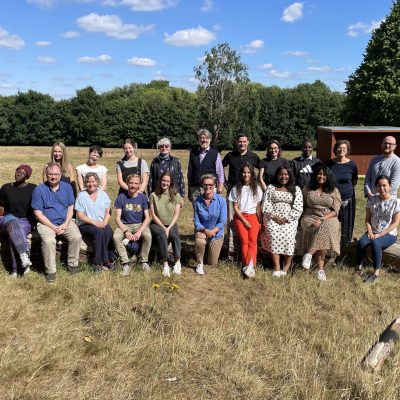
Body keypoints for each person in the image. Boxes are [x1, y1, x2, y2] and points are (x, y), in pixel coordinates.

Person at [32, 162, 82, 283]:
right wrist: (53, 227)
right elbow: (37, 213)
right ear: (46, 175)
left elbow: (71, 208)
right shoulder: (39, 189)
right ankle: (51, 271)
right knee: (49, 241)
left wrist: (65, 224)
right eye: (50, 174)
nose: (53, 177)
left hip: (65, 221)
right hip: (46, 223)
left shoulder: (67, 187)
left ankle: (72, 264)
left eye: (56, 174)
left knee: (76, 236)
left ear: (60, 175)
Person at [297, 164, 341, 281]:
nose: (321, 176)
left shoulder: (333, 190)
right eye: (319, 174)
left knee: (326, 227)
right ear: (315, 175)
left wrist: (322, 219)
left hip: (327, 217)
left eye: (324, 174)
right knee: (322, 230)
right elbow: (302, 204)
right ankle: (320, 270)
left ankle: (309, 254)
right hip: (309, 216)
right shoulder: (308, 188)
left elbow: (336, 210)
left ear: (328, 176)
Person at [356, 175, 400, 284]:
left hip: (389, 234)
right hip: (373, 231)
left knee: (375, 243)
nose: (382, 188)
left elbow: (395, 223)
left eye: (384, 185)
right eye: (379, 186)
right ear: (376, 187)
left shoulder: (396, 202)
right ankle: (358, 268)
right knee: (361, 242)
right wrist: (370, 232)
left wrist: (380, 235)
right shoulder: (372, 200)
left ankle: (375, 273)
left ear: (389, 186)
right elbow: (367, 219)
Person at [223, 134, 260, 260]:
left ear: (248, 142)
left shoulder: (254, 156)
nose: (242, 144)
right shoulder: (230, 156)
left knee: (251, 232)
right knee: (232, 223)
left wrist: (259, 183)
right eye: (240, 142)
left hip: (249, 193)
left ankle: (248, 255)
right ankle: (232, 252)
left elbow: (263, 169)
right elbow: (220, 167)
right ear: (236, 142)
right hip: (234, 193)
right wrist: (224, 182)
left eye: (244, 142)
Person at [261, 167, 303, 277]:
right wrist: (273, 216)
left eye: (286, 174)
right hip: (272, 217)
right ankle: (276, 267)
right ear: (277, 175)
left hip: (289, 219)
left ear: (290, 175)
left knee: (289, 236)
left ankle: (286, 266)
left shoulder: (296, 189)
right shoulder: (271, 187)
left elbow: (298, 207)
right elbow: (266, 204)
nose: (283, 177)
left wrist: (288, 218)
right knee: (273, 234)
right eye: (280, 174)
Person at [74, 173, 115, 273]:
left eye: (93, 181)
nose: (91, 184)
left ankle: (109, 259)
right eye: (88, 182)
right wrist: (96, 223)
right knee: (99, 232)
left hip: (101, 223)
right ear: (85, 183)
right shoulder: (81, 195)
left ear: (97, 182)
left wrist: (104, 223)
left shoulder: (103, 194)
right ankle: (97, 263)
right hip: (85, 224)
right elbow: (80, 215)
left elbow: (108, 211)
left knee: (108, 231)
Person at [0, 165, 36, 277]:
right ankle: (23, 256)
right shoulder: (6, 187)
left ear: (27, 176)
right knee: (13, 223)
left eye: (22, 173)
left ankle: (16, 270)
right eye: (17, 171)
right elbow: (1, 208)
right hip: (7, 218)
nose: (18, 174)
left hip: (25, 220)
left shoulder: (33, 188)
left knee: (14, 234)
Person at [228, 163, 262, 278]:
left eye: (248, 172)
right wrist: (243, 220)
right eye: (244, 172)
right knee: (245, 241)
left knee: (253, 241)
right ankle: (248, 265)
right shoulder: (235, 188)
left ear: (252, 174)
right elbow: (235, 207)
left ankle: (249, 266)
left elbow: (258, 207)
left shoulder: (256, 188)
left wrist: (260, 221)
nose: (246, 174)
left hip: (253, 217)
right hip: (240, 216)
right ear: (241, 174)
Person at [113, 173, 152, 276]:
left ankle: (144, 261)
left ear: (139, 185)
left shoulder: (143, 198)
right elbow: (117, 218)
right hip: (125, 224)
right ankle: (125, 263)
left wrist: (139, 232)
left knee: (147, 236)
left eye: (136, 183)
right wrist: (126, 231)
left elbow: (147, 217)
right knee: (116, 237)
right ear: (127, 183)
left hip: (139, 224)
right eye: (131, 183)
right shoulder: (121, 198)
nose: (133, 185)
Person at [326, 140, 358, 250]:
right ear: (335, 149)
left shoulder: (352, 165)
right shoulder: (329, 164)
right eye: (339, 147)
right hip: (331, 200)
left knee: (347, 225)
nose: (341, 150)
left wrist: (345, 190)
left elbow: (354, 181)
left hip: (348, 199)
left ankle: (345, 249)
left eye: (344, 148)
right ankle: (330, 249)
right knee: (330, 225)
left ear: (347, 150)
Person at [149, 171, 182, 277]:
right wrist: (164, 228)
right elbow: (153, 215)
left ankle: (177, 261)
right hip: (157, 224)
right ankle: (165, 263)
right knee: (162, 235)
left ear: (170, 182)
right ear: (160, 181)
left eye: (168, 181)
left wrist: (168, 228)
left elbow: (176, 215)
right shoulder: (153, 195)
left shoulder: (176, 195)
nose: (165, 183)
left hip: (171, 224)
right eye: (163, 180)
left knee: (175, 236)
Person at [193, 174, 227, 275]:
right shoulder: (197, 201)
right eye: (205, 185)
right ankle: (199, 262)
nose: (208, 187)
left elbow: (222, 222)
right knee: (200, 241)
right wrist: (205, 230)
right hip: (203, 231)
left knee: (212, 263)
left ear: (215, 185)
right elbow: (196, 221)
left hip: (216, 233)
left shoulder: (221, 201)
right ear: (202, 186)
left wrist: (212, 231)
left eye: (210, 185)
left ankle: (208, 251)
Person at [187, 129, 224, 205]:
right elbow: (190, 172)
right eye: (202, 138)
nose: (204, 140)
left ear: (210, 140)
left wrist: (219, 191)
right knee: (197, 214)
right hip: (195, 189)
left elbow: (220, 174)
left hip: (210, 189)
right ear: (199, 139)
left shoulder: (215, 154)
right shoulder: (193, 153)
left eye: (206, 138)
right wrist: (189, 189)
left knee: (211, 213)